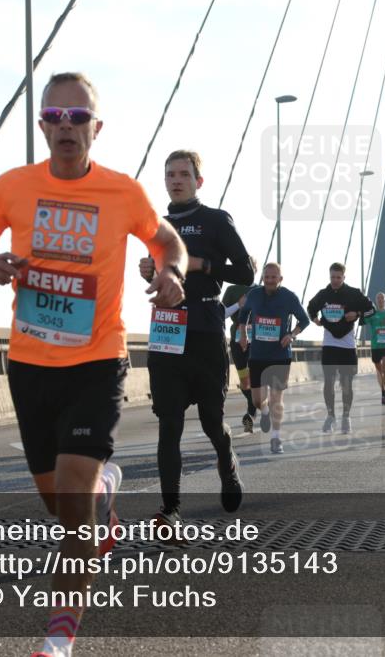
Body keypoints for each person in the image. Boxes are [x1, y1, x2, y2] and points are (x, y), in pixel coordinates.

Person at [0, 72, 187, 657]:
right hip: (29, 365)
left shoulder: (124, 193)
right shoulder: (12, 187)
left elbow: (167, 240)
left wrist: (172, 272)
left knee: (74, 501)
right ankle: (107, 491)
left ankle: (59, 641)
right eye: (54, 118)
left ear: (96, 128)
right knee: (64, 509)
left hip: (98, 359)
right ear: (41, 127)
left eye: (77, 117)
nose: (66, 127)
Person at [138, 150, 255, 529]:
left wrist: (201, 264)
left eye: (184, 174)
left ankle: (227, 459)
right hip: (167, 333)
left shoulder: (216, 220)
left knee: (211, 423)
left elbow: (245, 273)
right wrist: (147, 271)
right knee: (168, 424)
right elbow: (162, 275)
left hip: (205, 332)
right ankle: (170, 509)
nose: (176, 180)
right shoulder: (157, 225)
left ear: (198, 181)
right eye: (170, 174)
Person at [239, 263, 310, 453]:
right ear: (263, 278)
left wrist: (292, 335)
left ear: (280, 279)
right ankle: (264, 411)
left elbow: (304, 320)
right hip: (258, 355)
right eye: (267, 277)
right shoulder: (253, 295)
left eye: (274, 277)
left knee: (276, 397)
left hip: (280, 354)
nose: (270, 280)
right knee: (257, 400)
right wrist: (244, 334)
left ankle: (276, 438)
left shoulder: (289, 297)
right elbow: (243, 315)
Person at [307, 262, 375, 434]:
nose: (335, 281)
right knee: (328, 383)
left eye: (338, 277)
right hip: (330, 344)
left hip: (347, 345)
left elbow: (371, 310)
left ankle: (346, 417)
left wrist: (358, 314)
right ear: (329, 277)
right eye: (332, 277)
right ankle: (331, 416)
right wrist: (314, 318)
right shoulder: (323, 294)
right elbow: (310, 307)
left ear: (344, 277)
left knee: (346, 384)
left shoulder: (354, 293)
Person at [222, 283, 255, 432]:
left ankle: (251, 414)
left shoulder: (261, 289)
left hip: (258, 341)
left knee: (255, 377)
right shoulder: (232, 290)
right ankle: (256, 402)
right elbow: (221, 314)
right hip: (236, 340)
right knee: (245, 381)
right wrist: (238, 304)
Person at [365, 292, 385, 404]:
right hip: (376, 345)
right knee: (379, 370)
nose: (380, 300)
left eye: (382, 298)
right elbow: (363, 321)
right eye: (378, 298)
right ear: (376, 301)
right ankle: (384, 393)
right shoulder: (373, 314)